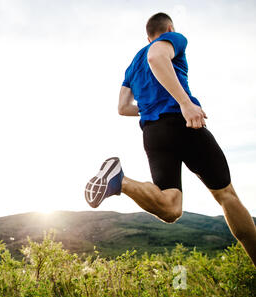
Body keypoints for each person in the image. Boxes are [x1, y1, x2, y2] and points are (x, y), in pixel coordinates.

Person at [85, 12, 256, 266]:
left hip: (153, 133)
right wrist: (185, 104)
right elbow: (156, 56)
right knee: (226, 196)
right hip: (183, 123)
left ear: (147, 35)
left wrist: (149, 105)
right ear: (168, 28)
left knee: (171, 208)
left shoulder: (133, 64)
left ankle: (119, 181)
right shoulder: (172, 39)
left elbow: (122, 106)